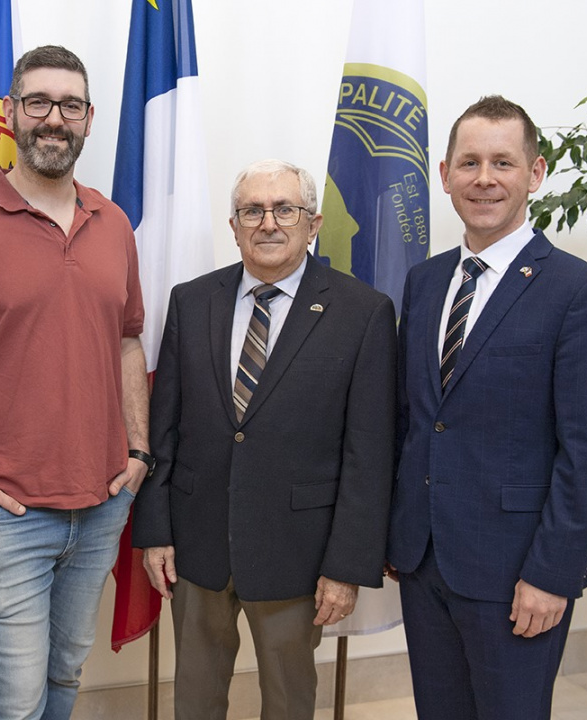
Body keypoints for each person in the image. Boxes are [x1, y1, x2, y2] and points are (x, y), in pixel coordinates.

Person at [0, 45, 149, 720]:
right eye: (37, 102)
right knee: (13, 703)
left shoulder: (114, 223)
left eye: (70, 105)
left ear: (89, 119)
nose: (54, 119)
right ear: (9, 114)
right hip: (1, 515)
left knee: (65, 676)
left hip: (99, 504)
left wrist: (139, 454)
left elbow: (128, 343)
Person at [385, 95, 587, 720]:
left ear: (537, 172)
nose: (485, 179)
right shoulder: (426, 281)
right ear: (444, 175)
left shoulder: (584, 294)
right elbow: (415, 418)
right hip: (424, 560)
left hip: (518, 570)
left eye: (503, 162)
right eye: (468, 162)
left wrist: (554, 573)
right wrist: (394, 532)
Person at [133, 159, 397, 720]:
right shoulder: (191, 300)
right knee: (195, 701)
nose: (268, 222)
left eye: (285, 209)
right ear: (233, 225)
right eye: (252, 210)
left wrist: (347, 566)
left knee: (288, 702)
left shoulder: (363, 313)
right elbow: (166, 429)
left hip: (298, 552)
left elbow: (368, 455)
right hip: (197, 543)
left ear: (313, 222)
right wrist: (154, 529)